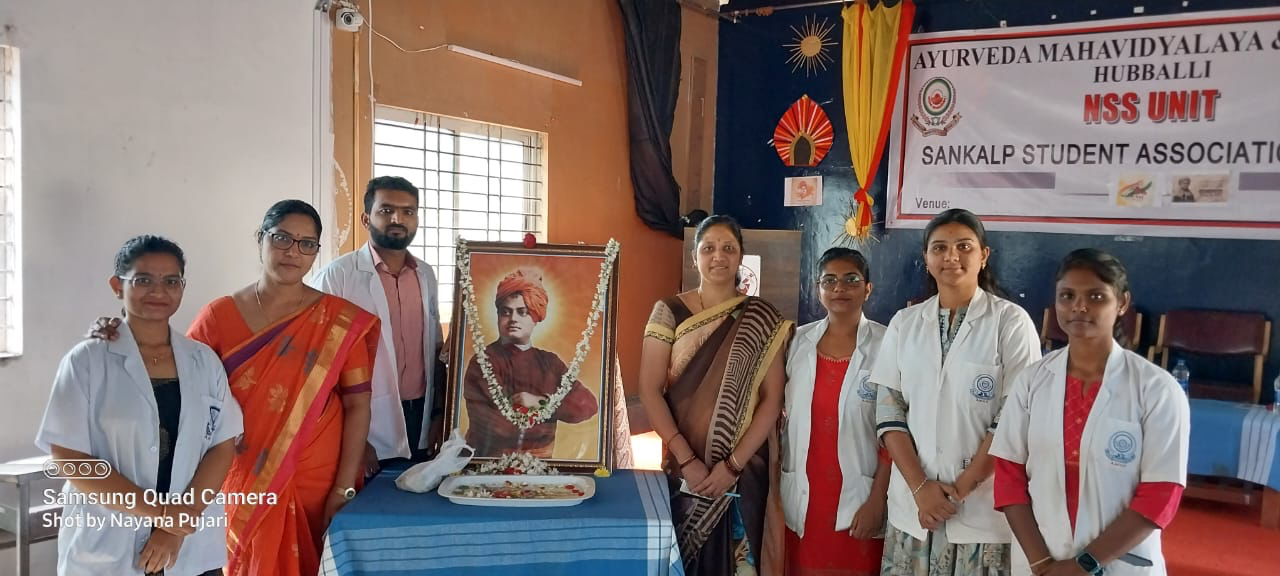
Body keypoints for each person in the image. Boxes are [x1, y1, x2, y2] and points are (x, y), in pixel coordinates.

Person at [89, 201, 379, 576]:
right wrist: (121, 331)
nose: (293, 251)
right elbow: (174, 375)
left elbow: (359, 405)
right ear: (260, 239)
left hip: (317, 477)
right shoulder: (218, 316)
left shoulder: (340, 319)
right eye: (282, 238)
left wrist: (343, 489)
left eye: (307, 244)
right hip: (238, 472)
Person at [37, 235, 242, 576]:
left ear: (183, 287)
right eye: (143, 280)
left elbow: (222, 445)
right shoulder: (87, 361)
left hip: (189, 547)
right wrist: (160, 515)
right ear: (118, 286)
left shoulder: (203, 361)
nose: (158, 291)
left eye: (171, 281)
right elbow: (70, 458)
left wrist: (176, 525)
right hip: (108, 544)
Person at [991, 249, 1189, 576]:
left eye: (1096, 296)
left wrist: (1086, 563)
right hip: (1041, 559)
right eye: (1067, 296)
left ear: (1122, 302)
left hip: (1120, 561)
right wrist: (1042, 564)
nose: (1079, 307)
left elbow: (1161, 493)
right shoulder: (1032, 381)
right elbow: (1008, 476)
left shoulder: (1156, 388)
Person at [872, 208, 1041, 575]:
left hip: (982, 508)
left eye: (964, 246)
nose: (951, 256)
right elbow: (888, 412)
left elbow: (1014, 419)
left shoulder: (1011, 323)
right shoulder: (905, 323)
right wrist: (921, 490)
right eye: (940, 247)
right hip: (914, 508)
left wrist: (958, 490)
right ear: (926, 259)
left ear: (984, 255)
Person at [638, 214, 792, 575]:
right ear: (695, 257)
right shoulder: (669, 311)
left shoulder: (762, 318)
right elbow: (649, 390)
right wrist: (687, 461)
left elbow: (772, 399)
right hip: (683, 467)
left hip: (743, 470)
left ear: (741, 257)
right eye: (708, 248)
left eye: (728, 248)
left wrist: (732, 466)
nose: (718, 256)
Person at [315, 176, 444, 469]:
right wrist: (354, 440)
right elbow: (321, 370)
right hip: (365, 427)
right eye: (386, 211)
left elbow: (435, 350)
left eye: (408, 211)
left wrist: (439, 416)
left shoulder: (426, 275)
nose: (398, 219)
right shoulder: (337, 277)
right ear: (366, 218)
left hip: (421, 420)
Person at [782, 247, 890, 576]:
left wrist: (877, 501)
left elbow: (897, 433)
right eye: (829, 280)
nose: (839, 288)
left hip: (861, 497)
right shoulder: (796, 343)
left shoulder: (888, 345)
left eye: (851, 279)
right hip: (805, 496)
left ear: (867, 288)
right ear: (818, 288)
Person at [461, 267, 599, 458]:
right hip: (487, 465)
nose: (513, 319)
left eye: (522, 312)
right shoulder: (483, 362)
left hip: (543, 468)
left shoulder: (550, 363)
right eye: (506, 312)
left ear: (536, 317)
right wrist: (557, 410)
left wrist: (539, 402)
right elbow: (502, 428)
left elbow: (588, 405)